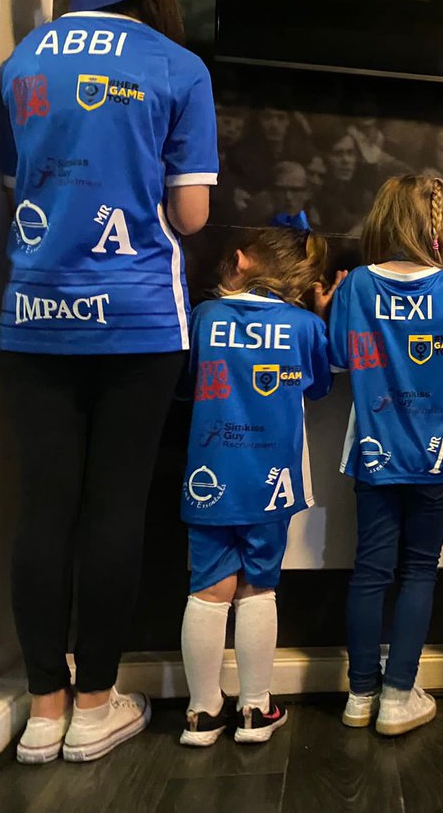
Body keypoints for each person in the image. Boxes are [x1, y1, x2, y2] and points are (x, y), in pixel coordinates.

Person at [0, 0, 216, 765]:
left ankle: (43, 711)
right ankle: (97, 705)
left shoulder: (25, 60)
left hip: (33, 315)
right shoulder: (178, 67)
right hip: (137, 321)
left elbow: (18, 185)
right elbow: (191, 213)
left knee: (42, 507)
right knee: (116, 508)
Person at [329, 176, 443, 735]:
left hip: (374, 453)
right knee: (420, 568)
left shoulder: (353, 287)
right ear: (439, 226)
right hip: (438, 453)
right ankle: (398, 695)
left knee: (370, 569)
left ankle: (359, 695)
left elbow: (335, 362)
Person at [178, 222, 341, 747]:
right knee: (259, 587)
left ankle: (202, 713)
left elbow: (185, 383)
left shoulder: (204, 317)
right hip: (273, 478)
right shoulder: (303, 327)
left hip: (209, 473)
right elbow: (318, 386)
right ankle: (254, 709)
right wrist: (317, 318)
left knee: (206, 591)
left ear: (242, 262)